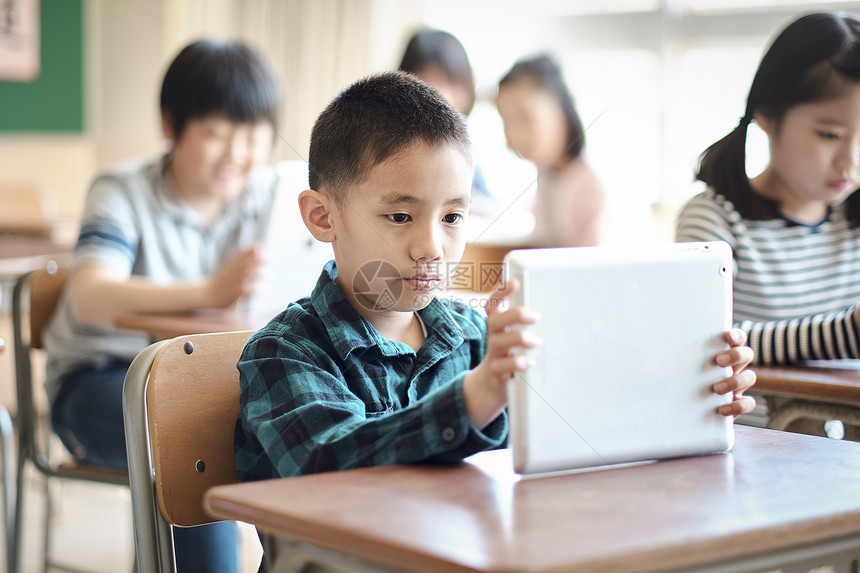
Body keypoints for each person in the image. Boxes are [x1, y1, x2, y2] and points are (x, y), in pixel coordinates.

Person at [234, 70, 757, 570]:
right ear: (322, 216)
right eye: (400, 216)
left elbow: (586, 427)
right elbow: (328, 469)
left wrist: (687, 393)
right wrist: (473, 398)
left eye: (453, 217)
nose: (431, 247)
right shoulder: (284, 351)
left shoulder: (477, 338)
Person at [43, 39, 282, 572]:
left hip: (205, 382)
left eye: (253, 135)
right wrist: (208, 291)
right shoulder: (122, 191)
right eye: (219, 133)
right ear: (171, 126)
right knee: (199, 438)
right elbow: (90, 296)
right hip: (96, 384)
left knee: (289, 420)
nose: (237, 153)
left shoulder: (268, 196)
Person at [676, 12, 860, 368]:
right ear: (768, 116)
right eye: (830, 135)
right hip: (756, 424)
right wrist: (846, 333)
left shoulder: (852, 220)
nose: (850, 161)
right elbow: (695, 337)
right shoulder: (716, 219)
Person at [496, 54, 605, 247]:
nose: (513, 134)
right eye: (506, 121)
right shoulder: (549, 172)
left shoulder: (594, 182)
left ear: (560, 107)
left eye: (524, 116)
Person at [398, 28, 494, 214]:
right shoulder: (389, 148)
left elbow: (486, 202)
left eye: (452, 82)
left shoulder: (465, 150)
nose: (445, 95)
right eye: (431, 82)